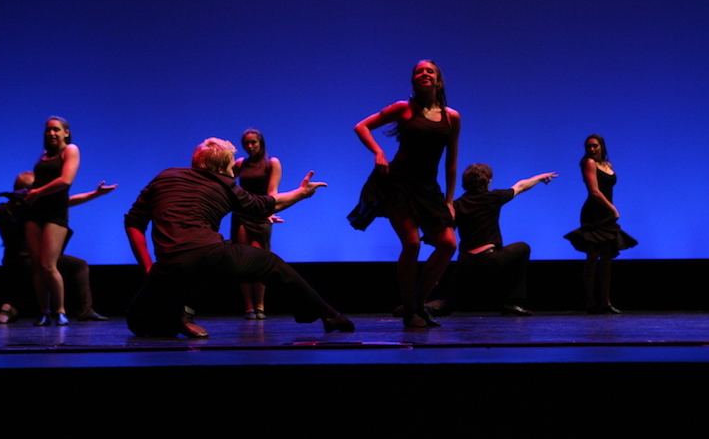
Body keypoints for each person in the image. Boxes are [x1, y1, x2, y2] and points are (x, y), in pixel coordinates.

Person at [124, 137, 353, 338]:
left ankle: (178, 315)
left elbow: (133, 222)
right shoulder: (224, 184)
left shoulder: (165, 176)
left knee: (139, 323)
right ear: (224, 167)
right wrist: (301, 193)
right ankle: (326, 314)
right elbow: (264, 205)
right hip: (210, 256)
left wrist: (148, 267)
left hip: (170, 264)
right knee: (270, 263)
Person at [349, 60, 461, 328]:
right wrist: (378, 151)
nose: (424, 74)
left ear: (438, 81)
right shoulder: (404, 109)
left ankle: (418, 303)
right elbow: (361, 126)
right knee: (411, 244)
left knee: (448, 244)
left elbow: (452, 161)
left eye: (429, 71)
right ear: (414, 81)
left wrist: (448, 199)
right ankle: (411, 308)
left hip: (428, 188)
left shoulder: (451, 117)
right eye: (418, 72)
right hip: (398, 183)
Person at [0, 171, 114, 323]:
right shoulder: (38, 206)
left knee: (26, 288)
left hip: (14, 262)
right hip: (30, 260)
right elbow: (70, 201)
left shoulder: (2, 210)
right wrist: (96, 193)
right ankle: (83, 311)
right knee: (77, 266)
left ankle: (10, 309)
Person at [430, 164, 556, 316]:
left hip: (466, 263)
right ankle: (510, 301)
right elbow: (520, 186)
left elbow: (445, 230)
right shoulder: (492, 197)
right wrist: (539, 178)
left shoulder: (458, 204)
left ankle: (416, 307)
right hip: (491, 259)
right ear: (487, 181)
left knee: (447, 305)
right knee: (523, 248)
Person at [565, 134, 638, 314]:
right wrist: (612, 209)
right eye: (589, 146)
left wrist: (611, 210)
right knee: (592, 257)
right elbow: (594, 192)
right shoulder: (588, 163)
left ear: (602, 147)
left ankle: (605, 302)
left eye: (595, 146)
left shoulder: (607, 165)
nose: (592, 149)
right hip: (594, 214)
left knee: (607, 258)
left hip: (606, 214)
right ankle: (590, 302)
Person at [24, 116, 80, 326]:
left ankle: (59, 310)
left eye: (56, 130)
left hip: (55, 213)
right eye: (48, 130)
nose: (52, 133)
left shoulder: (71, 150)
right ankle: (43, 312)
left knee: (48, 264)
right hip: (34, 212)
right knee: (37, 266)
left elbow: (66, 180)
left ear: (66, 132)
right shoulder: (44, 155)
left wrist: (37, 192)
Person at [231, 128, 283, 320]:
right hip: (242, 214)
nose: (250, 146)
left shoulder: (272, 163)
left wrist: (271, 211)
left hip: (261, 214)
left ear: (261, 142)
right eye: (246, 143)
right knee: (242, 260)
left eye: (253, 142)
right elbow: (227, 182)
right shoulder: (239, 164)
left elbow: (272, 191)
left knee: (260, 260)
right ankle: (249, 307)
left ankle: (260, 306)